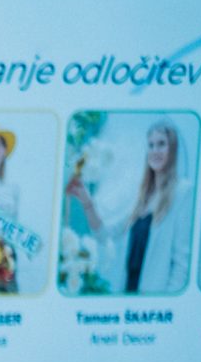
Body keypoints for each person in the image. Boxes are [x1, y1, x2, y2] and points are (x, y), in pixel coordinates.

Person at [66, 119, 191, 295]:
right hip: (129, 295)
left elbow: (181, 264)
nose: (155, 151)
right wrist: (87, 202)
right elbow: (104, 235)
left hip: (156, 303)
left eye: (161, 144)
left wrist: (168, 305)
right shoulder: (142, 196)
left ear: (173, 148)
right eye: (151, 145)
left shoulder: (183, 191)